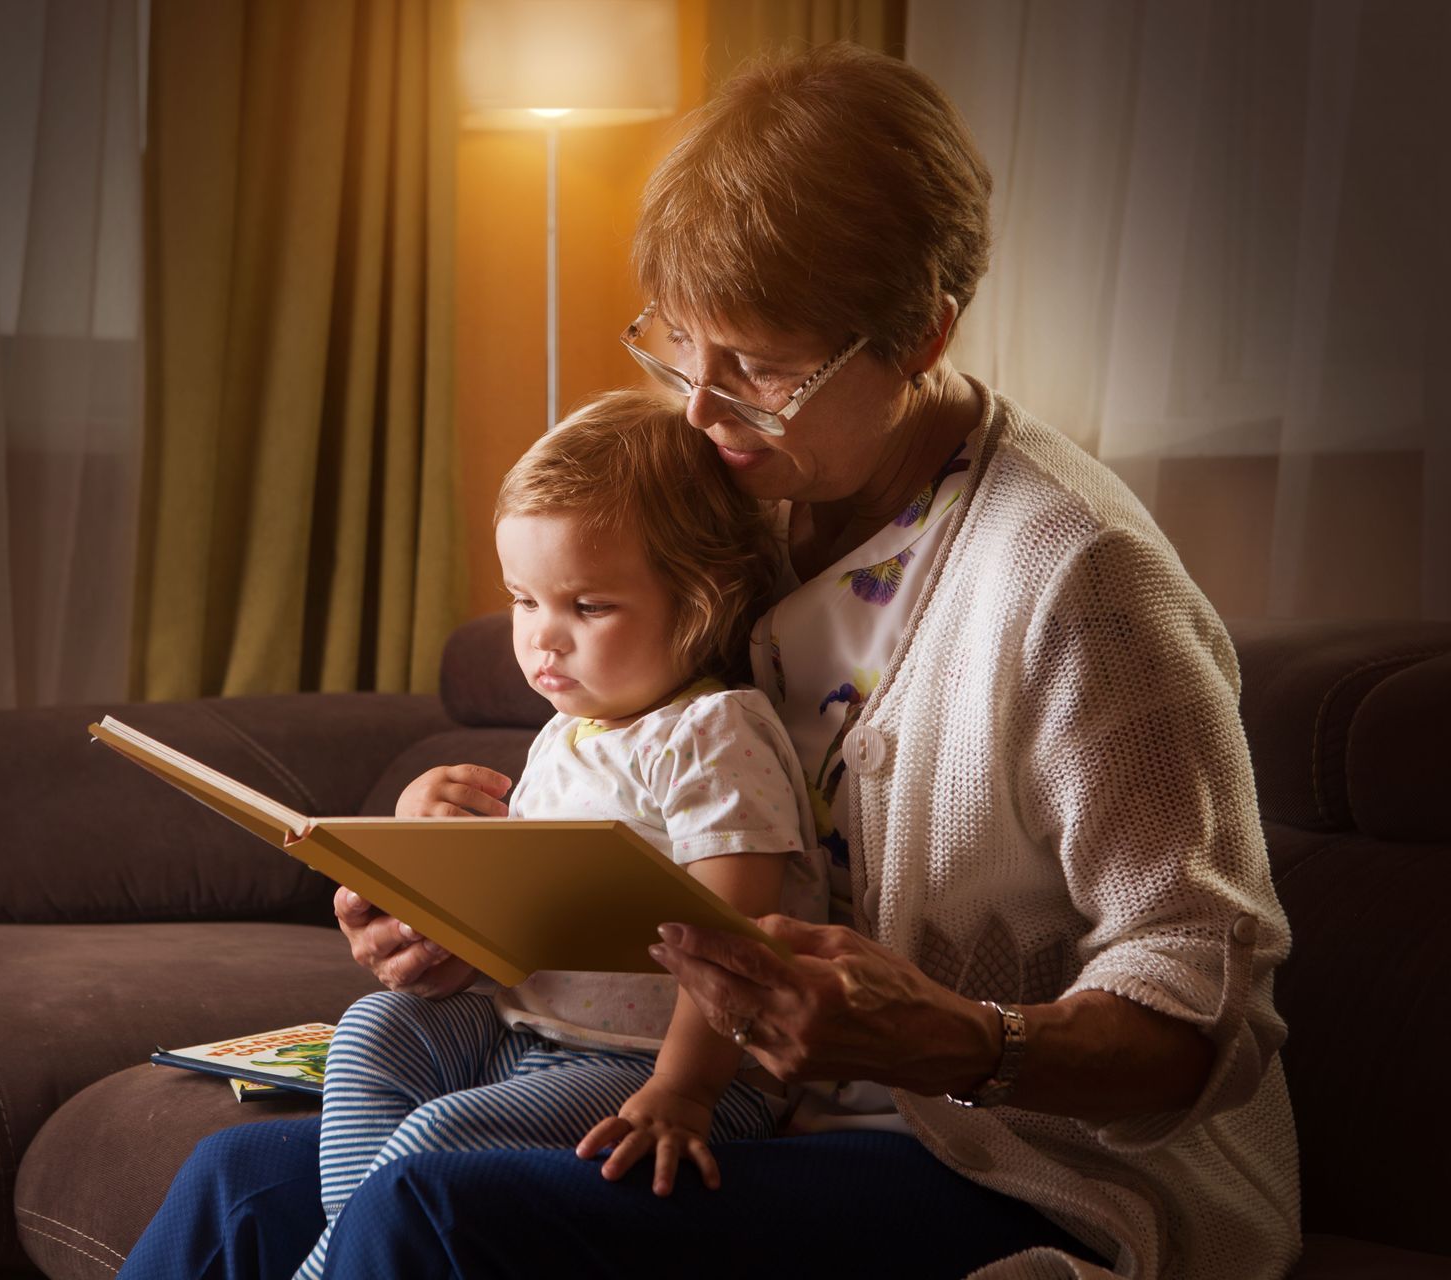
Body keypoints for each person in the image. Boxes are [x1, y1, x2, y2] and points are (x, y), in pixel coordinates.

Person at [121, 42, 1296, 1280]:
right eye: (678, 344)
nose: (700, 407)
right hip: (706, 1090)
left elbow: (1205, 1003)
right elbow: (636, 799)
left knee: (435, 1211)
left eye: (763, 367)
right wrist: (462, 909)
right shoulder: (728, 503)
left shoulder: (1078, 576)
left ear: (921, 334)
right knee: (234, 1186)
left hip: (1000, 1156)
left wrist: (960, 1038)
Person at [289, 389, 825, 1279]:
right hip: (524, 1035)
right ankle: (352, 1257)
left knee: (437, 1136)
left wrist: (683, 1094)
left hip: (671, 1070)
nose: (544, 640)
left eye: (588, 607)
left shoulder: (711, 733)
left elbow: (738, 943)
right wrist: (426, 841)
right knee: (371, 1030)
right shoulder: (562, 733)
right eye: (522, 600)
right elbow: (522, 902)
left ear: (698, 601)